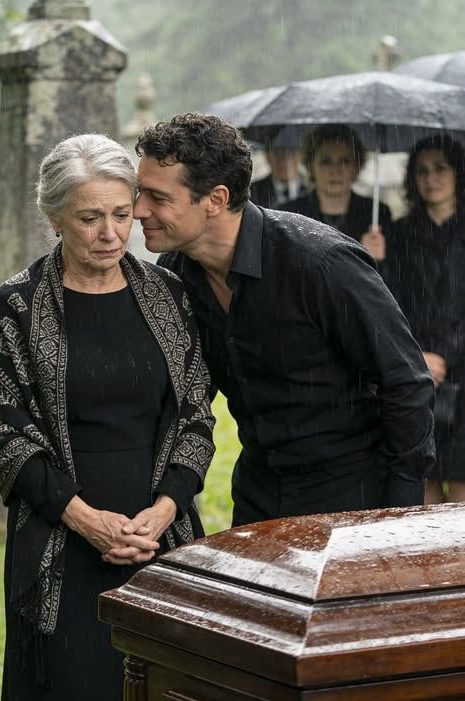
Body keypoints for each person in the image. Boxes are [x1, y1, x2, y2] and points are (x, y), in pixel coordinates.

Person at [0, 134, 215, 700]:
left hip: (159, 537)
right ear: (55, 218)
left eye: (120, 214)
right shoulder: (19, 304)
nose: (110, 233)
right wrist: (87, 521)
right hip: (60, 539)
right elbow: (5, 433)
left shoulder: (167, 293)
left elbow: (196, 416)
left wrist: (162, 512)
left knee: (161, 683)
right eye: (90, 218)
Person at [133, 112, 435, 528]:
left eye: (157, 197)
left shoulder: (320, 262)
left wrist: (399, 516)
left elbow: (405, 382)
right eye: (140, 193)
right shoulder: (175, 273)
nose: (138, 210)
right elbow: (183, 396)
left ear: (216, 200)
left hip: (352, 494)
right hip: (257, 491)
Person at [385, 134, 465, 505]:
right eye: (422, 170)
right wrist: (419, 355)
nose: (431, 178)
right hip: (415, 372)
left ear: (457, 173)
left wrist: (444, 355)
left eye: (440, 168)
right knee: (424, 485)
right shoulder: (398, 233)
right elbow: (390, 303)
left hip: (462, 373)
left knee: (461, 491)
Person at [281, 124, 392, 265]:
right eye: (326, 162)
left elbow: (393, 274)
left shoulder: (377, 214)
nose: (335, 170)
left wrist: (375, 261)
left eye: (344, 161)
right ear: (311, 167)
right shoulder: (289, 214)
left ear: (356, 167)